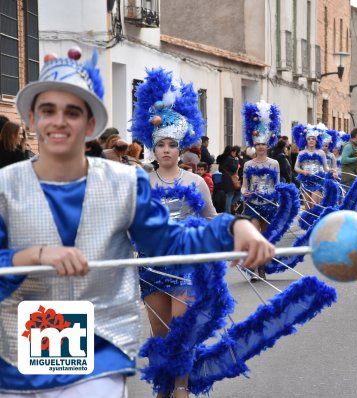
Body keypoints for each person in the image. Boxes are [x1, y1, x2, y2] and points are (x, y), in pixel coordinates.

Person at [0, 49, 273, 397]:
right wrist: (35, 256)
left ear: (90, 125)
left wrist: (235, 228)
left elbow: (170, 239)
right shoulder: (6, 187)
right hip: (26, 341)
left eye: (72, 111)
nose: (59, 122)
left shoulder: (125, 184)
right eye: (48, 110)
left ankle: (179, 387)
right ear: (32, 120)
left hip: (101, 341)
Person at [130, 67, 219, 396]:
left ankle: (181, 386)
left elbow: (211, 218)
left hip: (185, 265)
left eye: (171, 144)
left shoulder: (195, 182)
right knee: (159, 332)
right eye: (161, 144)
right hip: (150, 266)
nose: (166, 150)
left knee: (182, 331)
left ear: (179, 148)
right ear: (153, 148)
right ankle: (164, 384)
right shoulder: (142, 181)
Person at [240, 101, 284, 280]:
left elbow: (278, 184)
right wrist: (243, 192)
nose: (260, 147)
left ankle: (262, 268)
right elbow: (244, 185)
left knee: (265, 237)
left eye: (263, 144)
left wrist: (277, 199)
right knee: (254, 236)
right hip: (252, 204)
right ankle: (253, 268)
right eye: (257, 144)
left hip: (269, 204)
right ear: (254, 145)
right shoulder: (248, 164)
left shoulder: (274, 163)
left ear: (268, 146)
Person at [293, 124, 329, 209]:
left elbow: (325, 168)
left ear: (317, 141)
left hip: (318, 181)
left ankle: (317, 221)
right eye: (309, 139)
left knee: (314, 204)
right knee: (308, 207)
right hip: (306, 182)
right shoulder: (301, 153)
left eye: (313, 139)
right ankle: (310, 222)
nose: (311, 141)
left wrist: (331, 171)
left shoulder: (321, 152)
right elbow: (296, 167)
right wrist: (303, 171)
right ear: (306, 141)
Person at [218, 145, 241, 213]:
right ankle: (228, 211)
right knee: (230, 195)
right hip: (230, 179)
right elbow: (234, 168)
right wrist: (236, 161)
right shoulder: (230, 159)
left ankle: (229, 206)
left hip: (225, 178)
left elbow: (220, 169)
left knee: (234, 194)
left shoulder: (223, 159)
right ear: (233, 152)